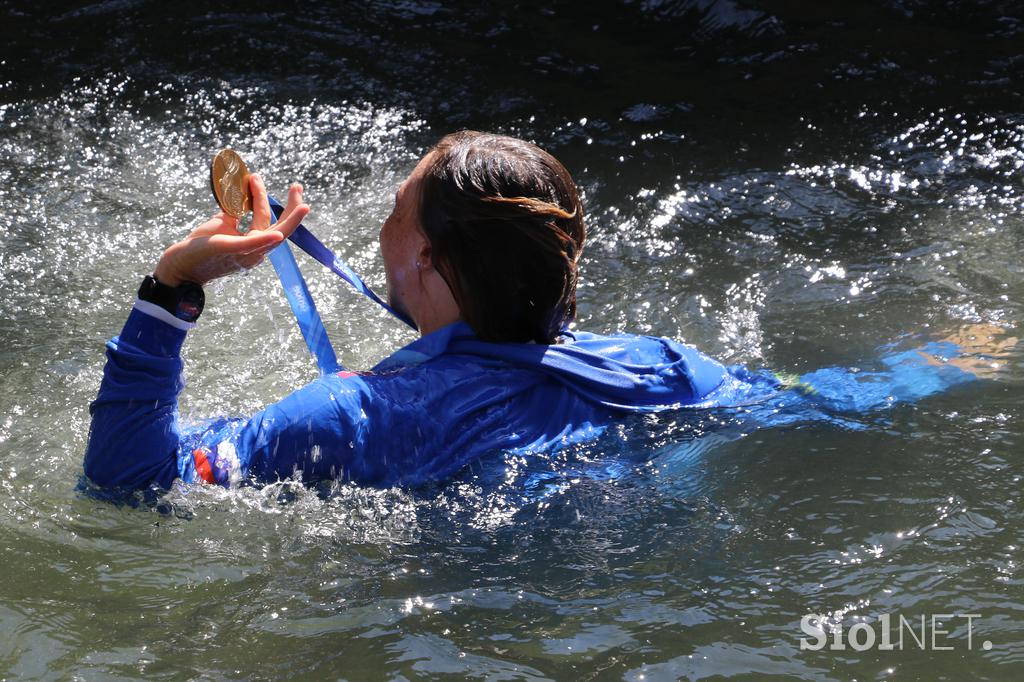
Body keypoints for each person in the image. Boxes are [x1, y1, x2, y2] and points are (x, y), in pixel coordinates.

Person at [83, 131, 993, 492]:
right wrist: (948, 358)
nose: (383, 228)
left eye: (396, 214)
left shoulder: (354, 419)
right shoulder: (660, 369)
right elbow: (818, 397)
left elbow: (124, 482)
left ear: (427, 259)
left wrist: (171, 290)